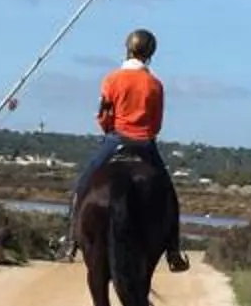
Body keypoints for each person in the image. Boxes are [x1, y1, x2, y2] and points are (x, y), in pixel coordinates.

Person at [72, 26, 187, 273]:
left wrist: (108, 127)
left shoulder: (112, 79)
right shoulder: (155, 84)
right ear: (150, 53)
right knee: (169, 193)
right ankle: (174, 250)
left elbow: (104, 118)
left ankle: (69, 239)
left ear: (127, 48)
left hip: (116, 140)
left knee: (82, 184)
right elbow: (156, 123)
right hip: (146, 143)